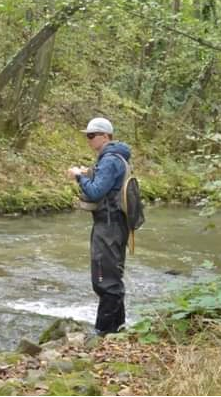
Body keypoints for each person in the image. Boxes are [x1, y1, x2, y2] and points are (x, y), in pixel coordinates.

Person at [67, 117, 131, 335]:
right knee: (111, 277)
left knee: (104, 281)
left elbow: (95, 192)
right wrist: (89, 174)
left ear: (105, 136)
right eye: (87, 135)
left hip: (109, 226)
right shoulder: (115, 158)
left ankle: (102, 333)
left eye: (92, 135)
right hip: (114, 225)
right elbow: (107, 185)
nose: (89, 140)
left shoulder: (110, 160)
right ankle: (118, 329)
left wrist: (78, 177)